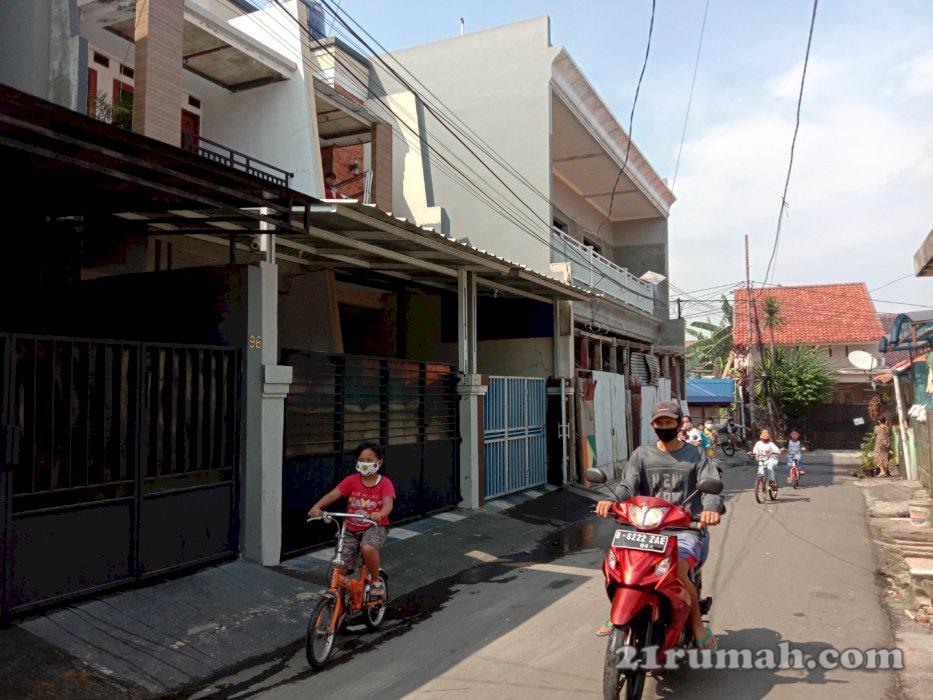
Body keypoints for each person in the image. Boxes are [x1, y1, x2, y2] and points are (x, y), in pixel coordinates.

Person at [595, 400, 724, 649]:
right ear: (653, 425)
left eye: (669, 422)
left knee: (676, 570)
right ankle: (619, 609)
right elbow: (627, 486)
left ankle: (697, 625)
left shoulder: (696, 454)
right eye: (659, 422)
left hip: (685, 530)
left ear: (679, 424)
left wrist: (709, 510)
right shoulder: (642, 454)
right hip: (644, 528)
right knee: (616, 566)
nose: (664, 426)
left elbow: (711, 487)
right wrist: (611, 501)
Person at [308, 443, 395, 598]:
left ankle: (375, 581)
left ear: (379, 463)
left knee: (367, 548)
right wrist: (317, 507)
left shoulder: (385, 483)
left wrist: (380, 514)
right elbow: (332, 495)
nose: (365, 463)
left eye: (369, 460)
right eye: (362, 460)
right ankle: (338, 604)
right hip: (350, 529)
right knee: (339, 566)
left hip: (375, 526)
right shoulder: (352, 480)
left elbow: (388, 503)